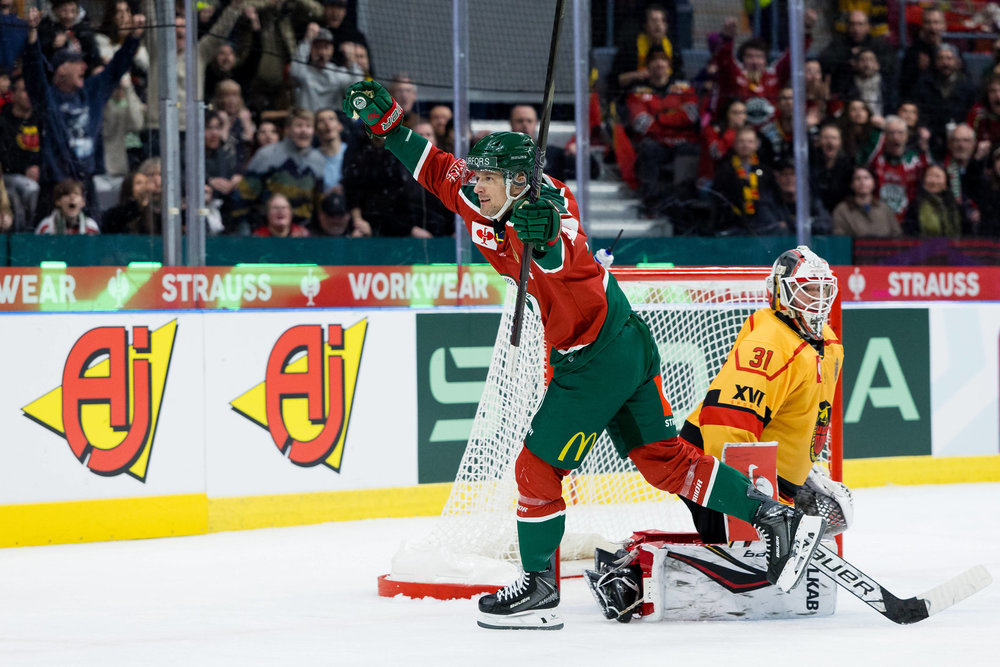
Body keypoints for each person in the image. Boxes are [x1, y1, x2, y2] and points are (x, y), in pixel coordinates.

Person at [343, 79, 827, 630]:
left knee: (535, 469)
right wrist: (388, 128)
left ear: (519, 181)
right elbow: (433, 166)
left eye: (487, 178)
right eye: (476, 176)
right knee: (663, 460)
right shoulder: (484, 193)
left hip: (593, 356)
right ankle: (772, 516)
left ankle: (540, 589)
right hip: (624, 340)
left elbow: (561, 245)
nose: (475, 185)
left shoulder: (553, 211)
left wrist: (542, 232)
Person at [678, 246, 852, 543]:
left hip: (765, 482)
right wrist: (751, 502)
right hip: (721, 472)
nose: (819, 300)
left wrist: (802, 473)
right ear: (781, 293)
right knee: (741, 566)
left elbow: (806, 416)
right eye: (807, 290)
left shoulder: (829, 343)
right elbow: (727, 424)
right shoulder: (769, 343)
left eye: (824, 290)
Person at [23, 5, 144, 222]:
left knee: (91, 240)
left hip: (86, 184)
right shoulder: (47, 97)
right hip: (54, 184)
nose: (84, 66)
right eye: (77, 63)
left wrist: (134, 36)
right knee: (45, 241)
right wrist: (32, 33)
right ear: (61, 69)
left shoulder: (92, 92)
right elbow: (33, 70)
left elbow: (117, 67)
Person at [231, 107, 325, 232]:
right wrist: (245, 233)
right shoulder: (266, 155)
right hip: (266, 232)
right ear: (288, 130)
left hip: (302, 233)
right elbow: (242, 198)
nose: (304, 131)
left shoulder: (318, 160)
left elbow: (318, 203)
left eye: (308, 126)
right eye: (299, 125)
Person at [290, 23, 363, 113]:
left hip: (333, 122)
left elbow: (358, 89)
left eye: (326, 47)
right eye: (318, 47)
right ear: (310, 49)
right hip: (309, 121)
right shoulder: (303, 72)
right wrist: (307, 40)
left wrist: (352, 61)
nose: (322, 52)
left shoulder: (337, 73)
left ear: (332, 50)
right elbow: (294, 72)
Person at [0, 75, 42, 224]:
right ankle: (28, 235)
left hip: (39, 174)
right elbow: (4, 158)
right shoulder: (3, 121)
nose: (29, 95)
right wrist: (25, 169)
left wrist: (39, 168)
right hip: (9, 176)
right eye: (25, 90)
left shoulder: (41, 119)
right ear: (12, 95)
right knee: (30, 189)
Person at [832, 165, 901, 236]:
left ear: (874, 183)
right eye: (857, 178)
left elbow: (897, 235)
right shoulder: (842, 210)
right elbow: (839, 238)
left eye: (866, 178)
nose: (862, 182)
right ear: (851, 184)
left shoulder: (885, 209)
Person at [902, 163, 966, 237]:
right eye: (930, 176)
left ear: (946, 182)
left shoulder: (956, 207)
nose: (933, 181)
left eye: (938, 177)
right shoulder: (915, 207)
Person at [35, 177, 100, 234]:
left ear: (83, 202)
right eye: (66, 194)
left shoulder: (91, 227)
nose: (72, 197)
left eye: (76, 193)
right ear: (58, 201)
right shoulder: (47, 227)